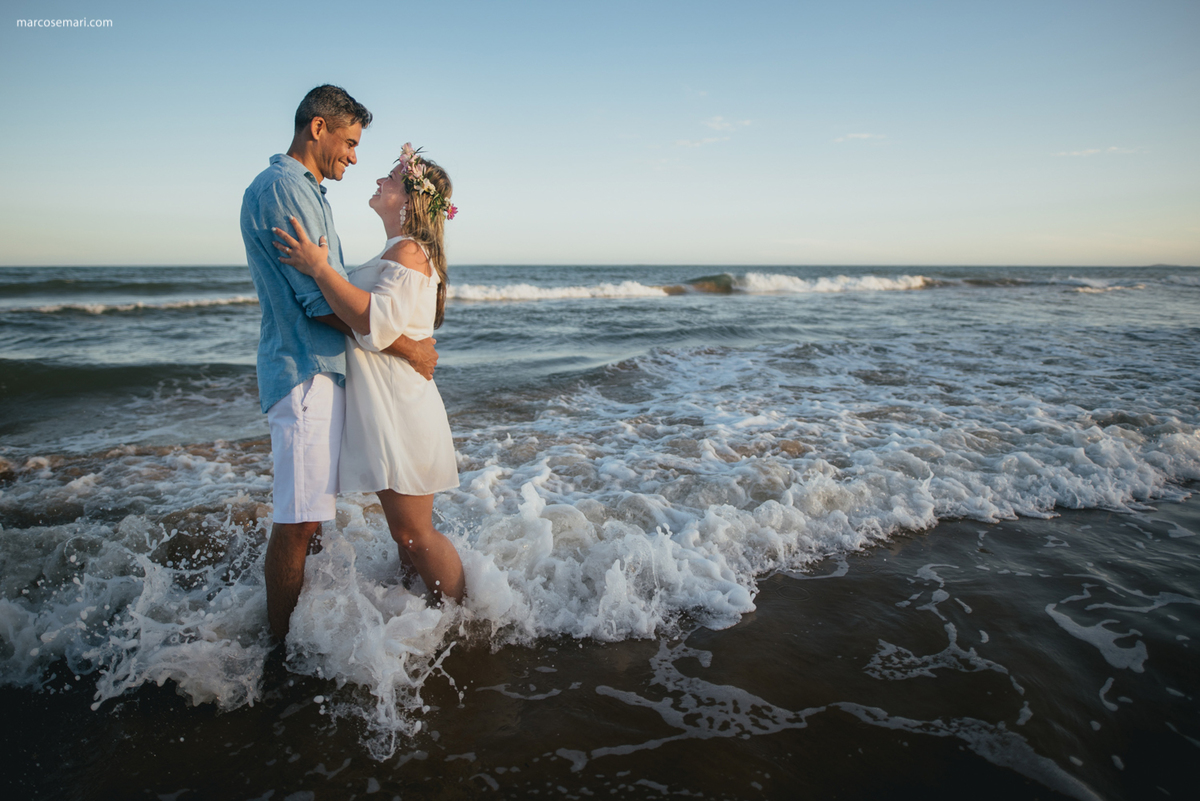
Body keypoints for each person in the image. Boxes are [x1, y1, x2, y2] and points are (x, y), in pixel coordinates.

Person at [240, 86, 439, 640]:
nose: (354, 156)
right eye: (349, 142)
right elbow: (317, 300)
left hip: (319, 370)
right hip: (304, 370)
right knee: (299, 521)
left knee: (311, 517)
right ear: (317, 128)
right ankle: (280, 652)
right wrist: (408, 347)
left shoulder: (307, 190)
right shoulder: (285, 188)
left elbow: (334, 291)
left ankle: (312, 634)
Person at [273, 143, 465, 605]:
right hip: (387, 406)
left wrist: (320, 269)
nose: (380, 181)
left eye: (392, 178)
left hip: (401, 410)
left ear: (412, 199)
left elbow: (375, 326)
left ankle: (460, 620)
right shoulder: (399, 250)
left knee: (414, 533)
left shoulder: (410, 254)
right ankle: (416, 613)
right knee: (405, 537)